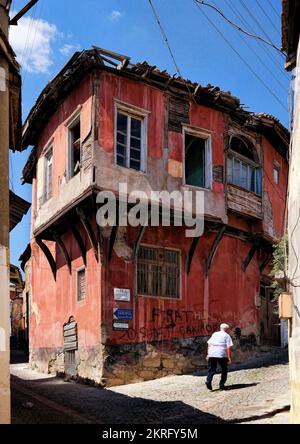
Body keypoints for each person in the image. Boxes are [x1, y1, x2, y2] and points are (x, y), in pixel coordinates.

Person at [205, 323, 233, 391]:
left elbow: (209, 344)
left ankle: (208, 381)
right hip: (221, 354)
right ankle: (222, 385)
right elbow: (228, 347)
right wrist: (229, 357)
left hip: (212, 353)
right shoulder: (227, 335)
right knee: (224, 369)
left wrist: (208, 354)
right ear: (226, 329)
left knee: (211, 369)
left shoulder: (215, 334)